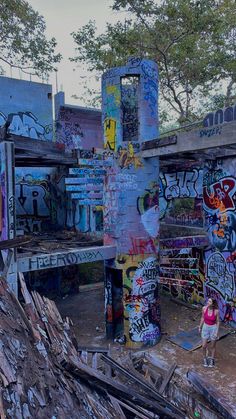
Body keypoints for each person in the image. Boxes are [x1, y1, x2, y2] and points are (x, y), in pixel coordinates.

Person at [199, 298, 220, 367]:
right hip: (205, 327)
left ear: (213, 304)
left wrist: (216, 332)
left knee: (212, 346)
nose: (208, 302)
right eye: (208, 301)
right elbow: (202, 317)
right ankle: (204, 358)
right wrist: (200, 327)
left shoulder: (216, 311)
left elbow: (218, 322)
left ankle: (212, 359)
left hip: (213, 328)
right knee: (204, 346)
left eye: (210, 301)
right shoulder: (204, 308)